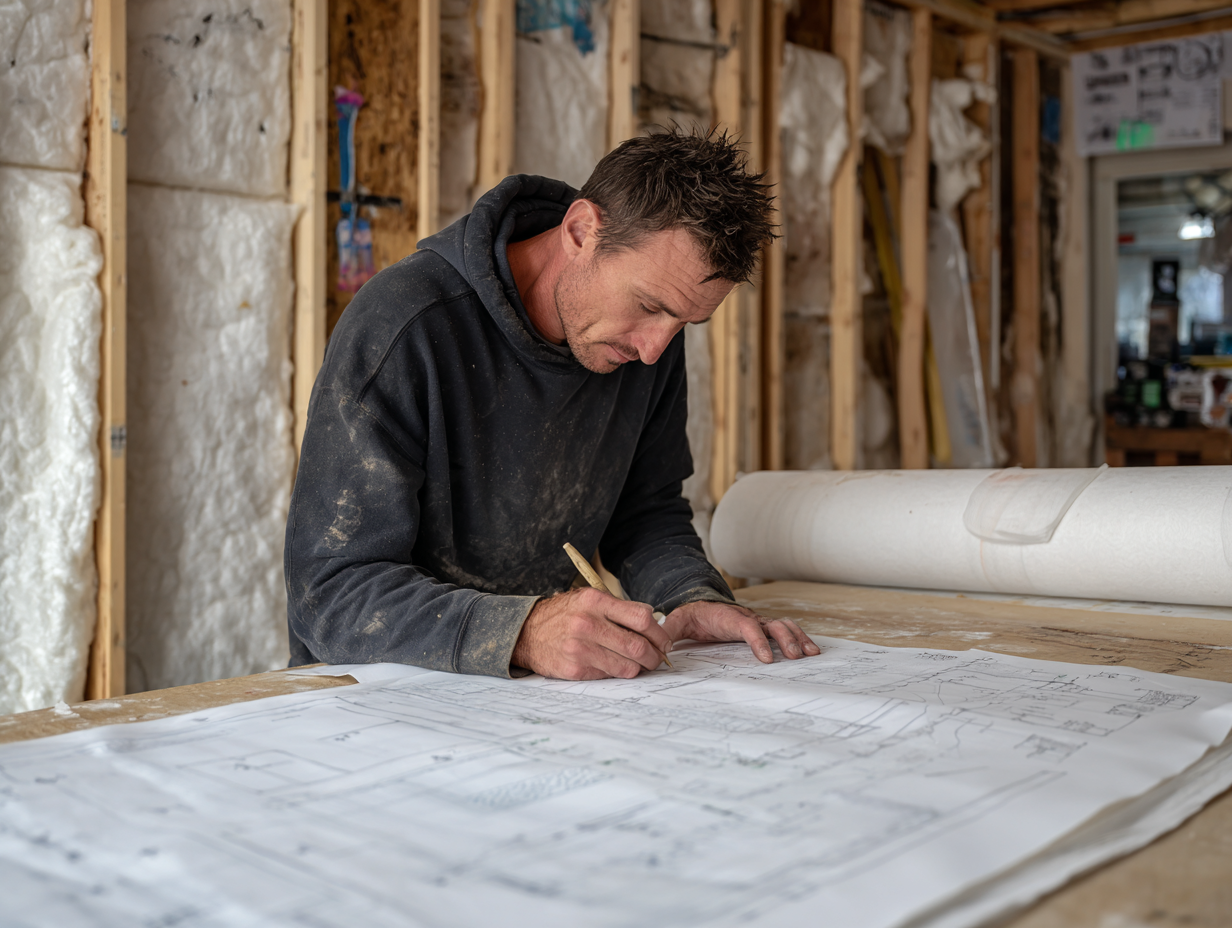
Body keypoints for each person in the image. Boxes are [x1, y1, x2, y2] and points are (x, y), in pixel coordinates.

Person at [285, 129, 820, 681]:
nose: (654, 348)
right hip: (369, 697)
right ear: (581, 229)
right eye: (648, 305)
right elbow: (330, 593)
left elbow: (644, 512)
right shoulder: (403, 326)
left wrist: (690, 593)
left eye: (685, 322)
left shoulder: (645, 339)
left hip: (526, 696)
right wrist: (522, 631)